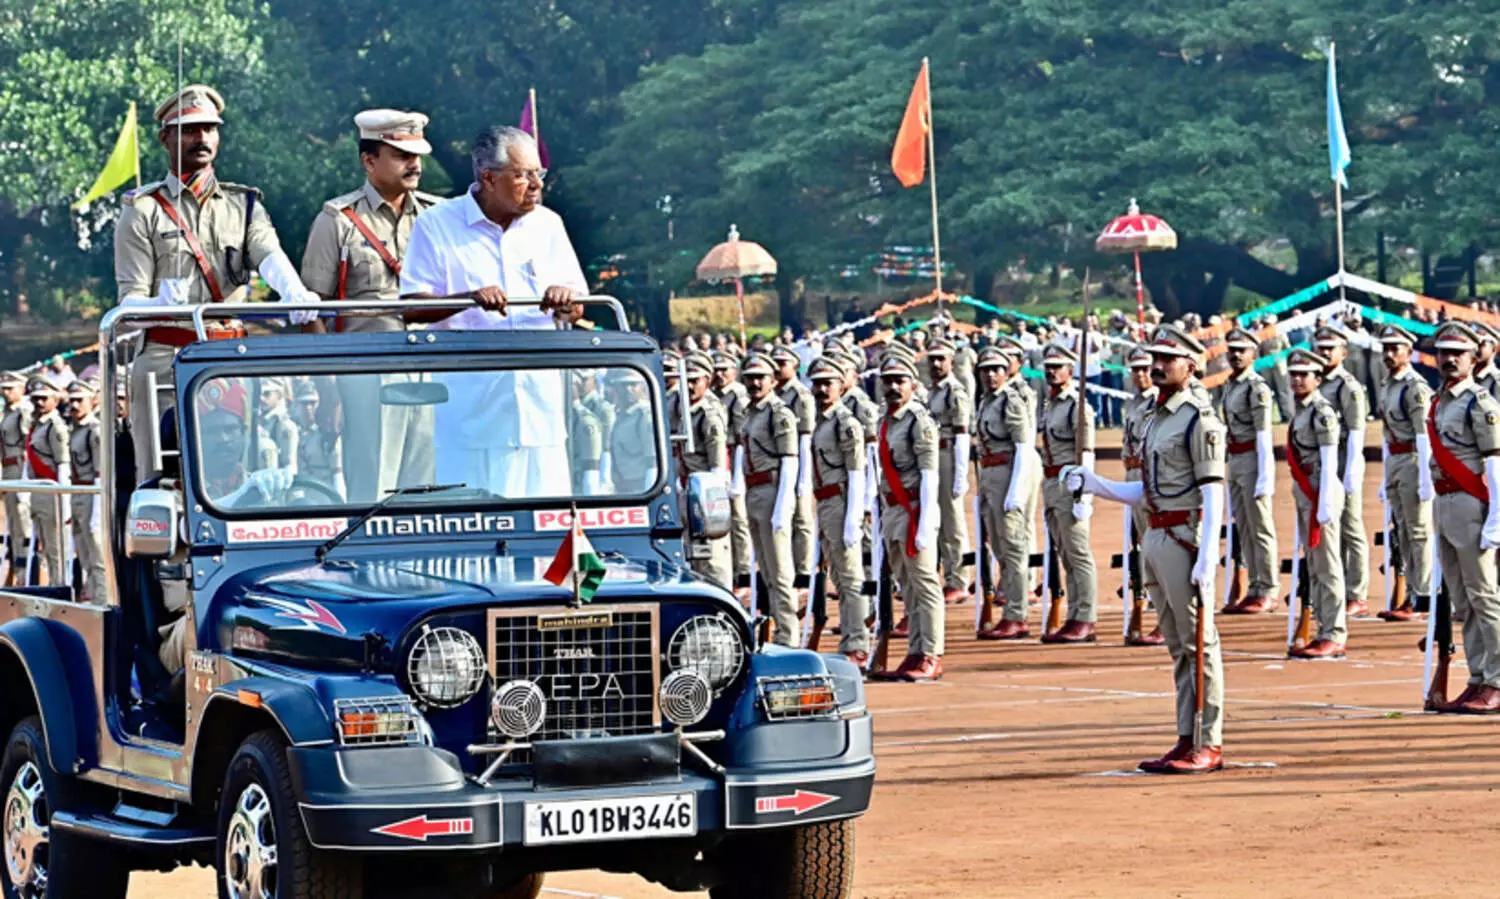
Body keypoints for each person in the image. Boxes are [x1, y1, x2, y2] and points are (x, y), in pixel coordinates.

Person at [114, 84, 320, 481]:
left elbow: (269, 253)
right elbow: (129, 305)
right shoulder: (142, 211)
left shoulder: (243, 205)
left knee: (235, 470)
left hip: (228, 354)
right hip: (164, 356)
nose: (202, 138)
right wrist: (157, 304)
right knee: (162, 474)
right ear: (165, 138)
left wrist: (293, 289)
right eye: (189, 130)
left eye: (209, 128)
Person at [1064, 324, 1227, 774]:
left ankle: (1208, 740)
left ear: (1190, 366)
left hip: (1184, 537)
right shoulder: (1156, 416)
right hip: (1154, 532)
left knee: (1200, 643)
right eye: (1154, 358)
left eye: (1166, 360)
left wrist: (1209, 555)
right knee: (1177, 643)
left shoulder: (1198, 418)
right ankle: (1184, 735)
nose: (1156, 366)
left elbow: (1213, 489)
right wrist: (1095, 485)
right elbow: (1146, 489)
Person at [399, 126, 585, 497]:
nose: (536, 185)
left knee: (549, 530)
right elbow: (411, 308)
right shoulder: (437, 224)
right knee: (478, 532)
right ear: (488, 177)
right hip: (472, 417)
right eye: (523, 175)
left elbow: (577, 307)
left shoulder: (548, 225)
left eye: (539, 173)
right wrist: (467, 298)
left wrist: (567, 300)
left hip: (540, 415)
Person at [301, 109, 441, 501]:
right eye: (400, 154)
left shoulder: (435, 216)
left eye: (416, 154)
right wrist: (328, 392)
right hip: (368, 373)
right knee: (373, 493)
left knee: (432, 491)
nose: (414, 164)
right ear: (368, 160)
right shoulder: (338, 221)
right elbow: (311, 313)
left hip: (435, 369)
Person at [1425, 323, 1500, 712]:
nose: (1449, 359)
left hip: (1474, 506)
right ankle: (1478, 676)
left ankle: (1498, 679)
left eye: (1458, 353)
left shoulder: (1480, 403)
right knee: (1463, 599)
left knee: (1485, 594)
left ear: (1474, 358)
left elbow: (1496, 463)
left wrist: (1497, 520)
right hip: (1445, 504)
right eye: (1443, 352)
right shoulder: (1439, 402)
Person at [873, 354, 944, 681]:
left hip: (915, 509)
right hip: (893, 511)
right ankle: (915, 649)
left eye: (900, 380)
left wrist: (927, 522)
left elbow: (930, 475)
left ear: (914, 386)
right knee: (908, 587)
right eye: (888, 381)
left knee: (926, 584)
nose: (893, 387)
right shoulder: (885, 421)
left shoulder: (920, 422)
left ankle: (931, 653)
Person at [975, 344, 1041, 640]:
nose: (990, 376)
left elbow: (1023, 446)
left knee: (1013, 545)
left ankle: (1016, 613)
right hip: (990, 476)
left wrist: (1016, 490)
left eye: (996, 370)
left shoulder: (1011, 400)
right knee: (1000, 547)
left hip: (1008, 473)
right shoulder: (987, 401)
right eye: (985, 370)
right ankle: (1012, 606)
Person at [1285, 348, 1348, 659]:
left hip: (1320, 490)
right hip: (1306, 490)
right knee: (1314, 564)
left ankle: (1334, 632)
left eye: (1303, 374)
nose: (1297, 379)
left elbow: (1329, 459)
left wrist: (1324, 502)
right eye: (1293, 374)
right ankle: (1323, 626)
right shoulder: (1301, 409)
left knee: (1328, 564)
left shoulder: (1322, 411)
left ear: (1318, 378)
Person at [736, 353, 800, 645]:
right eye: (750, 377)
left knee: (781, 572)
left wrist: (783, 506)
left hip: (772, 491)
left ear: (773, 380)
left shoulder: (779, 413)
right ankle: (777, 632)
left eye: (761, 377)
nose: (755, 383)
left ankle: (789, 636)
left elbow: (790, 460)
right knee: (767, 573)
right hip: (754, 492)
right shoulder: (751, 412)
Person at [808, 358, 868, 664]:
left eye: (827, 383)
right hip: (826, 502)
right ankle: (849, 638)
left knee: (850, 576)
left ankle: (857, 641)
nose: (821, 389)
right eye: (817, 384)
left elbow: (857, 472)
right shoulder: (823, 421)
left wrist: (854, 518)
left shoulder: (846, 423)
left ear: (841, 385)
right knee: (840, 577)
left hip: (842, 501)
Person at [1038, 343, 1098, 643]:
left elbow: (1086, 452)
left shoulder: (1078, 406)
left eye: (1057, 366)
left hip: (1071, 483)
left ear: (1071, 371)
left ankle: (1085, 617)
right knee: (1065, 554)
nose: (1051, 371)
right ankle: (1074, 614)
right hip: (1051, 484)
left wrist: (1084, 496)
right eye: (1047, 367)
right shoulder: (1052, 404)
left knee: (1078, 553)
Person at [1218, 328, 1279, 614]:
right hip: (1237, 460)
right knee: (1244, 528)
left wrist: (1266, 476)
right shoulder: (1231, 385)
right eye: (1232, 350)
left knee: (1260, 527)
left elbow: (1264, 434)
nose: (1236, 355)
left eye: (1242, 350)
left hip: (1254, 460)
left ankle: (1267, 587)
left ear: (1254, 355)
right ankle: (1254, 585)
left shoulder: (1257, 388)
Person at [1313, 326, 1372, 618]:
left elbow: (1357, 430)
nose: (1323, 353)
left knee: (1350, 526)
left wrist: (1351, 470)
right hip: (1321, 463)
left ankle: (1357, 591)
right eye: (1320, 347)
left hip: (1342, 459)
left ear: (1343, 353)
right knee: (1327, 528)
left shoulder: (1347, 386)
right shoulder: (1315, 382)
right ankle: (1328, 588)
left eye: (1329, 348)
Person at [1376, 325, 1433, 621]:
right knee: (1403, 531)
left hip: (1413, 458)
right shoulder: (1388, 384)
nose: (1389, 354)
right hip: (1396, 459)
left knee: (1419, 531)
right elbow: (1387, 430)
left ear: (1409, 352)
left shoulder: (1415, 387)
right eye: (1386, 348)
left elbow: (1424, 435)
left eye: (1395, 348)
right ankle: (1411, 591)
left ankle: (1421, 595)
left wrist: (1426, 477)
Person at [1118, 346, 1165, 645]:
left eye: (1145, 369)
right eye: (1135, 369)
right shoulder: (1133, 404)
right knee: (1142, 549)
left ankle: (1165, 617)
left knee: (1158, 549)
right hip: (1132, 475)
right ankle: (1149, 602)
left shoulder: (1160, 402)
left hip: (1151, 478)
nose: (1140, 374)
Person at [679, 352, 732, 588]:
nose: (690, 386)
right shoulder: (685, 411)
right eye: (687, 379)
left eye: (695, 380)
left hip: (705, 494)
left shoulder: (709, 416)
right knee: (694, 559)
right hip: (688, 490)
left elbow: (718, 467)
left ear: (707, 381)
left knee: (712, 561)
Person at [925, 337, 972, 603]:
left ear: (952, 361)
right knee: (936, 520)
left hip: (948, 455)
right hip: (932, 457)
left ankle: (958, 578)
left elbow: (962, 434)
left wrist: (961, 474)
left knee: (953, 522)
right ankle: (945, 575)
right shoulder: (932, 391)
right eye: (932, 359)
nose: (936, 364)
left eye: (941, 358)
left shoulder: (955, 391)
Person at [771, 344, 818, 598]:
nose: (778, 368)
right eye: (775, 364)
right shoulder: (774, 394)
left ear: (795, 366)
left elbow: (806, 438)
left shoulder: (800, 395)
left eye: (782, 363)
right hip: (777, 463)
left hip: (798, 461)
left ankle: (803, 572)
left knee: (801, 519)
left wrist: (803, 476)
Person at [712, 350, 752, 600]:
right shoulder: (715, 396)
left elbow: (740, 439)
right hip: (718, 456)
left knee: (738, 519)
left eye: (724, 369)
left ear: (734, 371)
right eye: (716, 370)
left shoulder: (738, 396)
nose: (719, 374)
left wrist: (737, 475)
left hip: (732, 459)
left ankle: (744, 571)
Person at [24, 375, 69, 587]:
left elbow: (62, 464)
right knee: (43, 545)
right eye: (35, 399)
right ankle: (49, 584)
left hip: (51, 493)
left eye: (44, 398)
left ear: (55, 400)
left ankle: (59, 585)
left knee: (55, 546)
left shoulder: (55, 427)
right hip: (37, 490)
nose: (39, 403)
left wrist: (64, 500)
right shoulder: (38, 424)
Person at [65, 379, 105, 601]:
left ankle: (101, 602)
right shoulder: (76, 429)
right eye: (71, 401)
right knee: (85, 556)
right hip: (78, 496)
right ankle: (92, 598)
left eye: (80, 400)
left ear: (93, 401)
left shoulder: (94, 431)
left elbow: (100, 474)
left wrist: (97, 515)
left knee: (97, 556)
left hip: (92, 497)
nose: (75, 405)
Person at [0, 372, 33, 586]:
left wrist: (24, 479)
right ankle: (17, 571)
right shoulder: (8, 412)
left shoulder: (24, 411)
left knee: (23, 523)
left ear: (22, 388)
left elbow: (28, 447)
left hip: (20, 469)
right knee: (13, 524)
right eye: (4, 388)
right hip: (8, 469)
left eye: (11, 388)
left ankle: (25, 574)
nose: (6, 392)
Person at [292, 379, 343, 495]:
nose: (308, 408)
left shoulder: (327, 436)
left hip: (324, 498)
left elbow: (337, 476)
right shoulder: (295, 433)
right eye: (304, 403)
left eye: (312, 403)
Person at [608, 371, 657, 494]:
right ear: (616, 388)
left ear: (642, 387)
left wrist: (649, 493)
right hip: (622, 486)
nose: (628, 389)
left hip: (640, 487)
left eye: (633, 385)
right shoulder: (620, 415)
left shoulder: (644, 416)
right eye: (623, 385)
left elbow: (652, 462)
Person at [257, 377, 299, 474]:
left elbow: (289, 468)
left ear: (279, 395)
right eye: (259, 394)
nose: (261, 398)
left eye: (267, 394)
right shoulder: (260, 421)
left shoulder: (285, 425)